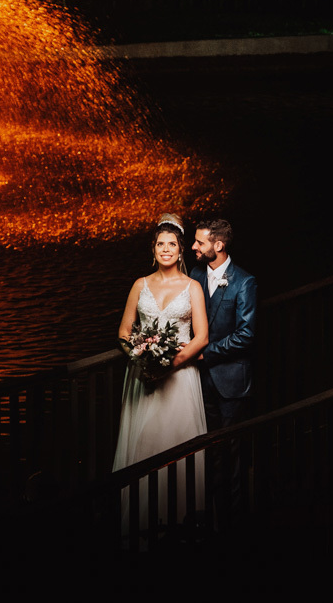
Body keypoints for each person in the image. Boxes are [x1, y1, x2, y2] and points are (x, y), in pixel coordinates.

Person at [112, 213, 209, 531]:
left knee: (176, 446)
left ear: (180, 250)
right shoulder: (139, 285)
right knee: (144, 444)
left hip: (179, 379)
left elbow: (202, 337)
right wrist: (138, 357)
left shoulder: (193, 287)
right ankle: (141, 526)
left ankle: (180, 525)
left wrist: (171, 364)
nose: (165, 249)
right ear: (153, 250)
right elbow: (124, 333)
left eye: (171, 244)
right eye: (159, 244)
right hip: (143, 377)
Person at [190, 218, 256, 528]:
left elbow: (246, 335)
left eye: (200, 243)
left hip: (231, 383)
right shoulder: (194, 276)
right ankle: (212, 520)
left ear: (218, 245)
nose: (194, 247)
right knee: (210, 454)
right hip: (200, 383)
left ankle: (236, 525)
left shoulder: (244, 282)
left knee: (233, 456)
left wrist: (206, 353)